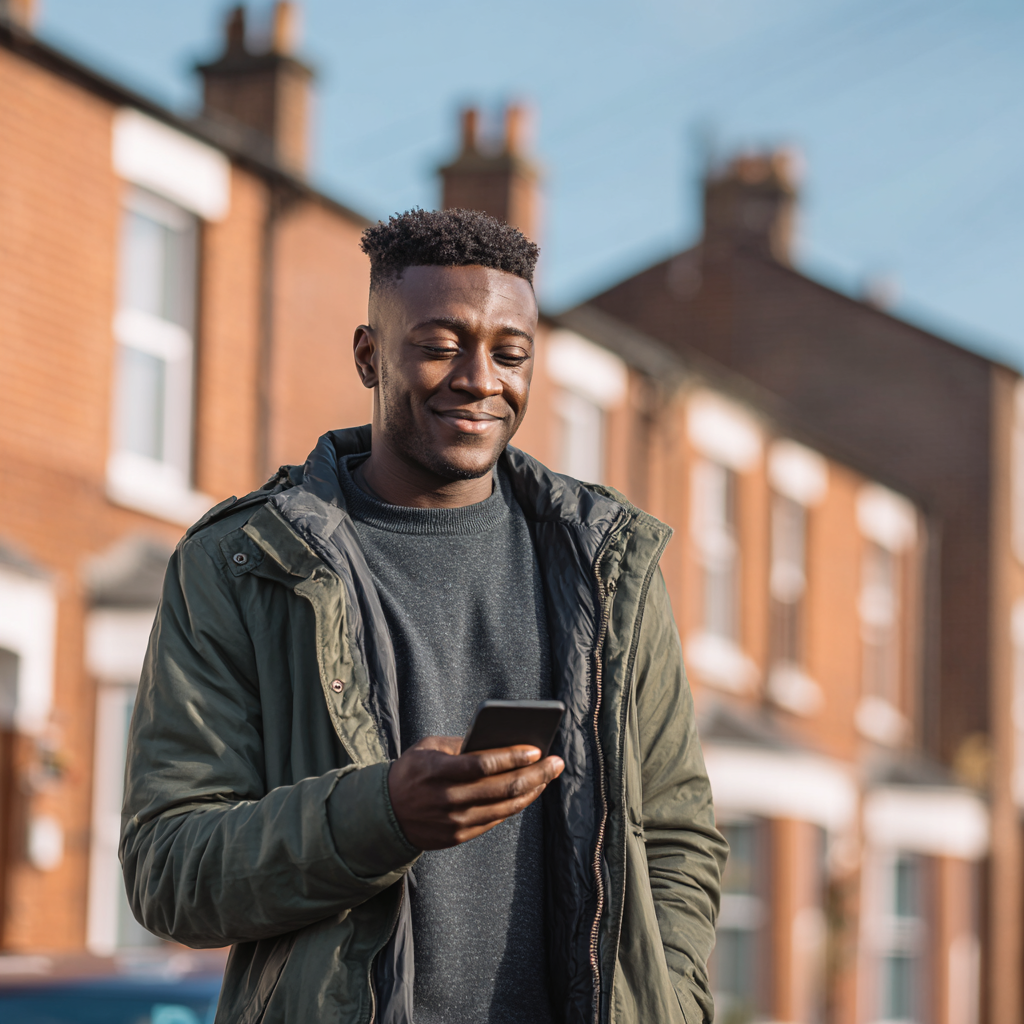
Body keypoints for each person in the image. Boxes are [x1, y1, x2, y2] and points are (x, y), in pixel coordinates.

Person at [121, 208, 727, 1024]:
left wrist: (671, 1003)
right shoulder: (240, 564)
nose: (481, 378)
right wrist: (382, 816)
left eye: (510, 354)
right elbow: (168, 871)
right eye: (441, 346)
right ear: (370, 355)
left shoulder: (608, 564)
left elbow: (678, 837)